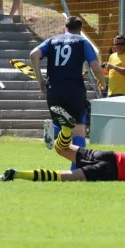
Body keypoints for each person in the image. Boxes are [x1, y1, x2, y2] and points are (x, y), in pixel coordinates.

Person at [0, 106, 125, 182]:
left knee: (61, 148)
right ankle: (17, 174)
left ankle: (67, 129)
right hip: (111, 171)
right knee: (65, 176)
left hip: (108, 155)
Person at [30, 16, 107, 169]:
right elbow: (95, 67)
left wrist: (40, 80)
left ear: (64, 29)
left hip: (54, 90)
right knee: (78, 130)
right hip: (74, 90)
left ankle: (53, 131)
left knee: (64, 124)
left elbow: (33, 54)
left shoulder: (52, 40)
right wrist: (103, 82)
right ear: (80, 31)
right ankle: (78, 169)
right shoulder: (82, 42)